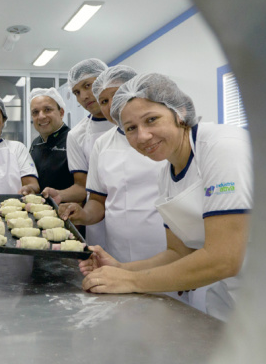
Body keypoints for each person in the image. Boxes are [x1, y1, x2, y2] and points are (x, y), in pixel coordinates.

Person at [80, 73, 252, 321]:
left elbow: (224, 258)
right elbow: (178, 252)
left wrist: (131, 279)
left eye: (151, 120)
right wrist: (119, 268)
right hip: (230, 296)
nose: (143, 136)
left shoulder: (222, 148)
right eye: (130, 129)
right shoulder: (166, 174)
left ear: (180, 112)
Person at [58, 66, 166, 263]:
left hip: (165, 249)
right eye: (104, 101)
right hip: (117, 251)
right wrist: (82, 214)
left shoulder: (164, 136)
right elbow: (98, 201)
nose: (110, 106)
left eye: (117, 96)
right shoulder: (102, 144)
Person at [42, 59, 110, 247]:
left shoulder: (134, 123)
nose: (84, 96)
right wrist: (60, 194)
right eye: (77, 92)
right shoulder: (77, 135)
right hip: (98, 220)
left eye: (88, 86)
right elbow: (82, 186)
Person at [29, 87, 74, 191]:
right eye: (35, 112)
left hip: (67, 206)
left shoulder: (73, 139)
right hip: (40, 206)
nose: (41, 116)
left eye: (47, 110)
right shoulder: (35, 144)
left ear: (61, 112)